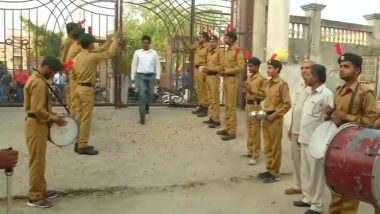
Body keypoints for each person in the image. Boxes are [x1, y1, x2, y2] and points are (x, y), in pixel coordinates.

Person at [324, 52, 378, 214]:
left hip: (355, 148)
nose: (341, 69)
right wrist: (330, 114)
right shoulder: (338, 90)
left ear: (357, 70)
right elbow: (337, 117)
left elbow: (373, 122)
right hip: (337, 145)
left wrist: (345, 117)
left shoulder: (365, 93)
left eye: (346, 67)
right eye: (340, 66)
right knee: (336, 188)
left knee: (349, 190)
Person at [23, 56, 67, 208]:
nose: (54, 75)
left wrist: (53, 116)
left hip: (38, 124)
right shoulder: (38, 83)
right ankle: (35, 196)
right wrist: (54, 119)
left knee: (40, 160)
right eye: (53, 71)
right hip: (36, 124)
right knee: (37, 161)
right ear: (47, 67)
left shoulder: (37, 79)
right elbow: (37, 110)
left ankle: (41, 190)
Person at [293, 64, 334, 214]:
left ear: (317, 77)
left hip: (316, 141)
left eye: (309, 74)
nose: (305, 76)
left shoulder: (326, 94)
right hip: (305, 137)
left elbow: (329, 119)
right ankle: (308, 198)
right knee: (306, 171)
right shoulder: (309, 92)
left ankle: (317, 205)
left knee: (316, 174)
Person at [72, 32, 120, 155]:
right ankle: (83, 145)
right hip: (87, 90)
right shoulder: (92, 57)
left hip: (78, 88)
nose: (94, 45)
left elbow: (98, 50)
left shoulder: (77, 57)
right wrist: (115, 42)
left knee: (78, 116)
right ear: (90, 45)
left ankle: (78, 142)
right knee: (86, 118)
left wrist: (108, 41)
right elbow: (109, 54)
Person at [257, 56, 291, 183]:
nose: (268, 70)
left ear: (277, 69)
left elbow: (287, 104)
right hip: (266, 116)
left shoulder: (282, 84)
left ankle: (275, 173)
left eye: (270, 68)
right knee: (267, 145)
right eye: (267, 68)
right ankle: (269, 168)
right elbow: (263, 96)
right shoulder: (268, 83)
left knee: (275, 146)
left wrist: (275, 115)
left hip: (275, 118)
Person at [284, 60, 313, 195]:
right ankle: (297, 185)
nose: (304, 70)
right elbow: (296, 109)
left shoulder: (316, 88)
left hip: (308, 133)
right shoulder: (300, 87)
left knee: (308, 163)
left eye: (307, 68)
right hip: (296, 130)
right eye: (302, 68)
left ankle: (309, 189)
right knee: (296, 159)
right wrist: (290, 128)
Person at [216, 30, 245, 141]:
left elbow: (240, 67)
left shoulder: (237, 51)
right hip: (226, 78)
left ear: (232, 39)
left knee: (231, 106)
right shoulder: (227, 51)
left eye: (227, 38)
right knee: (227, 105)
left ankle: (232, 131)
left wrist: (227, 71)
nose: (224, 39)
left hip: (232, 79)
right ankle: (227, 127)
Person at [131, 35, 161, 125]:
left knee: (150, 94)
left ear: (149, 43)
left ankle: (147, 106)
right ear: (142, 43)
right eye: (144, 43)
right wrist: (132, 78)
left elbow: (157, 65)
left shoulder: (154, 53)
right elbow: (134, 65)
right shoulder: (137, 53)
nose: (145, 44)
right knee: (142, 95)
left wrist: (158, 76)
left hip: (151, 76)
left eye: (147, 43)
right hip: (140, 76)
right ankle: (142, 116)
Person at [243, 57, 266, 165]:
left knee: (255, 130)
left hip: (256, 106)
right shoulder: (250, 77)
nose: (249, 68)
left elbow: (263, 95)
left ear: (257, 66)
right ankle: (250, 149)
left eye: (251, 66)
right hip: (249, 105)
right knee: (249, 128)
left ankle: (255, 154)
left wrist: (251, 90)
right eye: (248, 66)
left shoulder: (261, 79)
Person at [182, 32, 210, 117]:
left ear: (205, 38)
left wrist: (207, 71)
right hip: (197, 69)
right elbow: (190, 47)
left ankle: (205, 108)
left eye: (200, 37)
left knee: (203, 89)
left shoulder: (208, 47)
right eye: (198, 37)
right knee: (198, 89)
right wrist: (184, 41)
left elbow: (210, 60)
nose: (198, 38)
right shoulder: (198, 45)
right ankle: (200, 106)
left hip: (203, 69)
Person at [202, 35, 224, 128]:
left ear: (217, 42)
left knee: (215, 99)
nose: (211, 43)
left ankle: (217, 119)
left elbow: (221, 67)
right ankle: (212, 117)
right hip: (208, 77)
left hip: (214, 77)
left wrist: (209, 69)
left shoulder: (220, 52)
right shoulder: (209, 52)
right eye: (210, 41)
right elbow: (207, 64)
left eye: (213, 41)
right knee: (210, 99)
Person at [64, 27, 85, 116]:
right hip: (75, 76)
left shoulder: (73, 45)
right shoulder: (78, 46)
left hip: (72, 75)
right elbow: (68, 63)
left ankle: (74, 118)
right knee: (76, 100)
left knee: (73, 99)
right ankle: (75, 121)